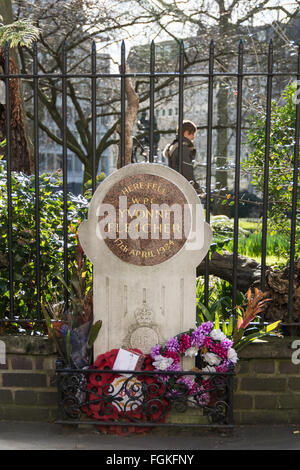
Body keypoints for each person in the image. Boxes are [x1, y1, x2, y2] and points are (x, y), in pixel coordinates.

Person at [163, 120, 200, 191]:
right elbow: (187, 171)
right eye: (192, 134)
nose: (193, 137)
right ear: (186, 133)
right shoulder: (183, 148)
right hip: (183, 187)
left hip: (175, 184)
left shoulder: (174, 146)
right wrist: (197, 189)